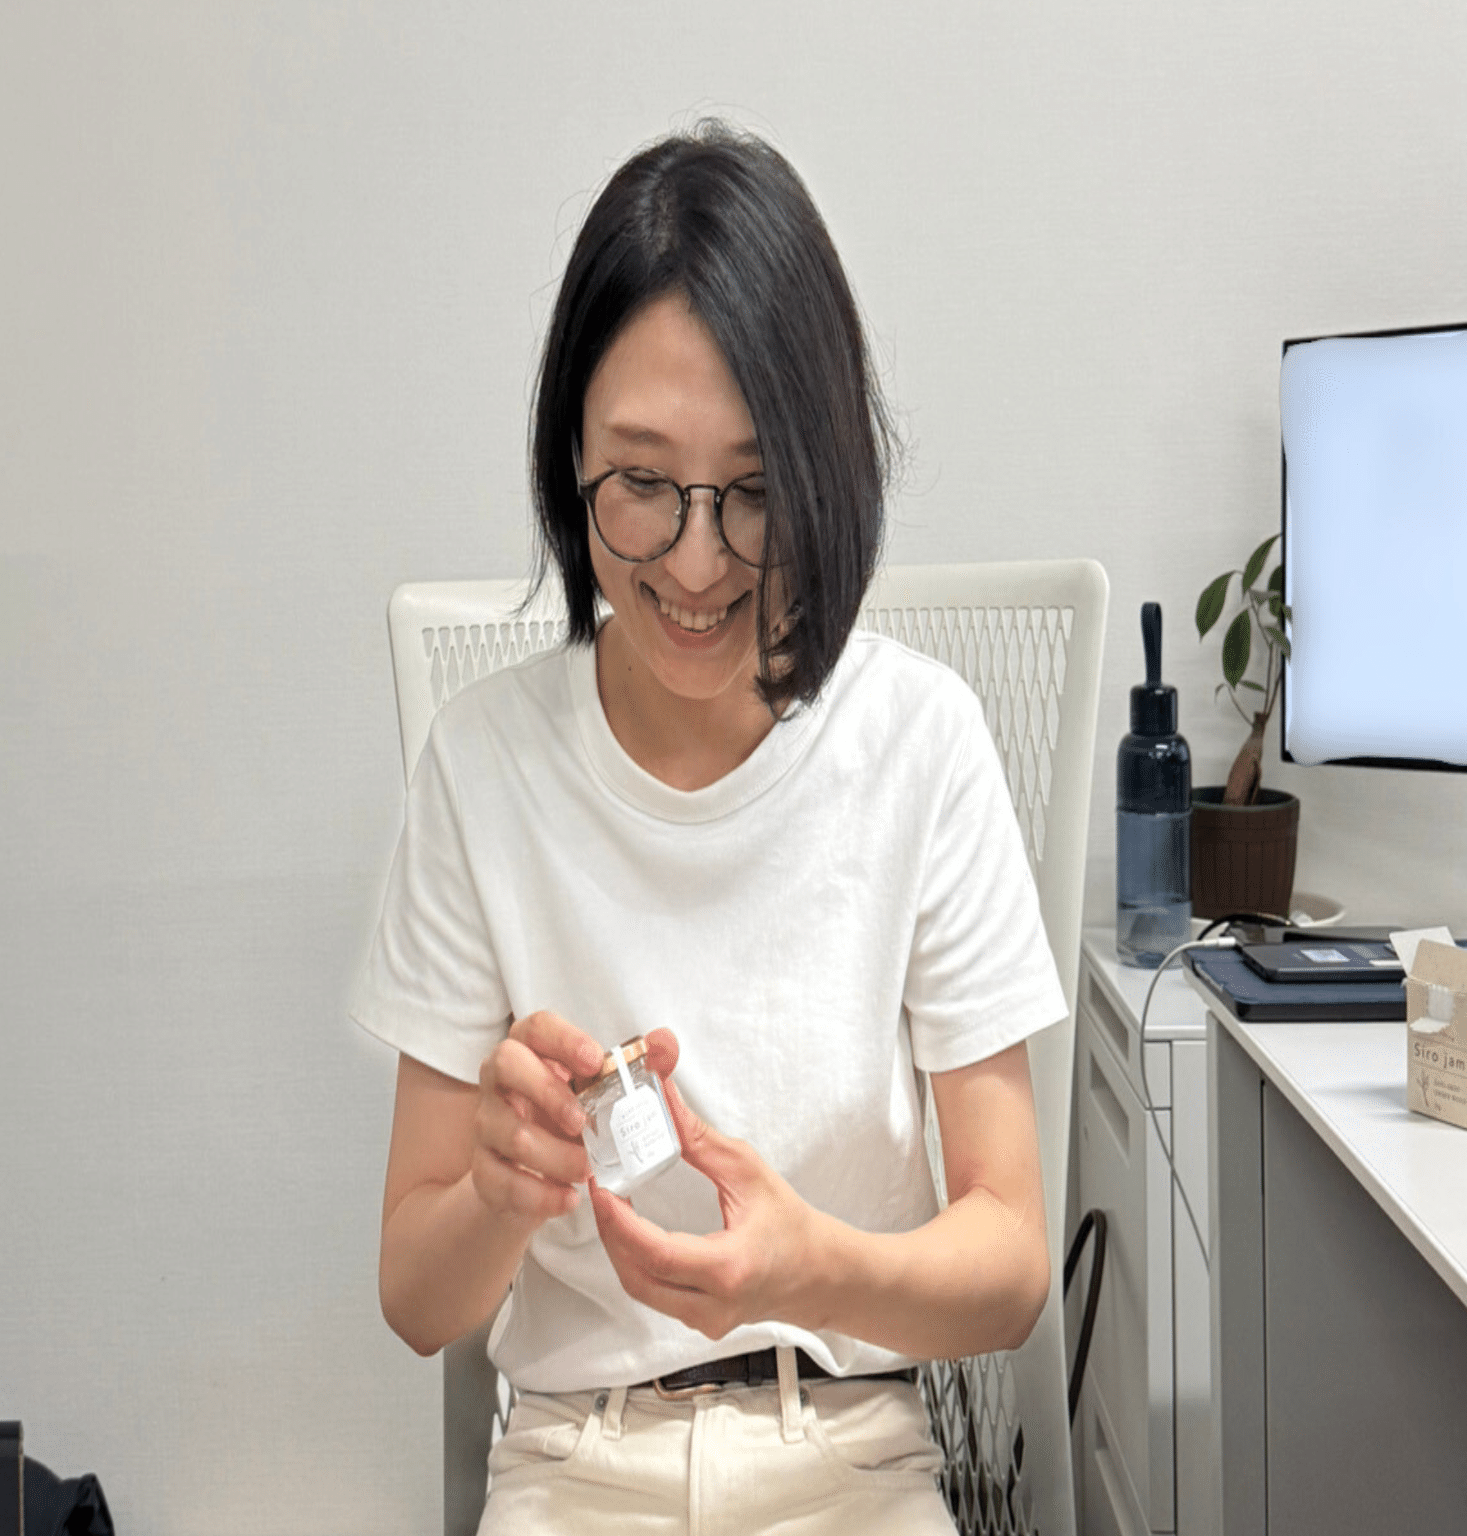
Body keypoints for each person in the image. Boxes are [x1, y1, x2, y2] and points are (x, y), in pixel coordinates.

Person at [350, 121, 1067, 1535]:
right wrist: (499, 1188)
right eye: (640, 484)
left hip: (853, 1457)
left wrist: (813, 1269)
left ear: (828, 472)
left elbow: (1011, 1265)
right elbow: (416, 1301)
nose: (694, 560)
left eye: (754, 491)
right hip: (574, 1463)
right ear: (569, 461)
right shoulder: (483, 766)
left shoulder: (919, 743)